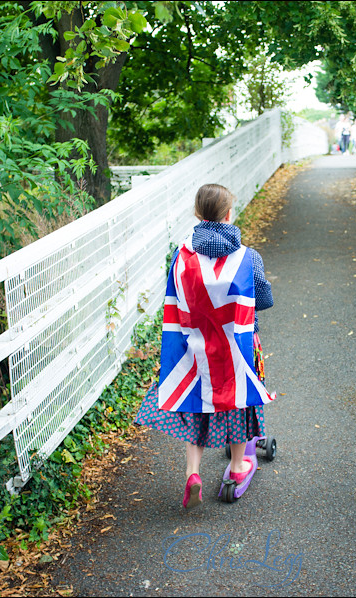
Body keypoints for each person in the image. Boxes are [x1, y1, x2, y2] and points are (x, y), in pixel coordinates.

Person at [134, 183, 275, 509]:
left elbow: (174, 296)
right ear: (228, 214)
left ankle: (193, 473)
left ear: (198, 214)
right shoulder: (248, 257)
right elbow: (263, 298)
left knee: (195, 402)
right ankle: (238, 466)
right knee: (240, 400)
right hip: (236, 347)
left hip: (194, 346)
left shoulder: (181, 256)